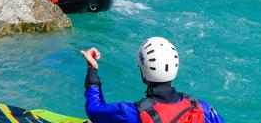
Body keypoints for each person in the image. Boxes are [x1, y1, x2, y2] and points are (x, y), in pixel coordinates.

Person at [80, 37, 224, 123]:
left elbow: (94, 110)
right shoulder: (200, 107)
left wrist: (92, 69)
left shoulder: (133, 113)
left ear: (143, 71)